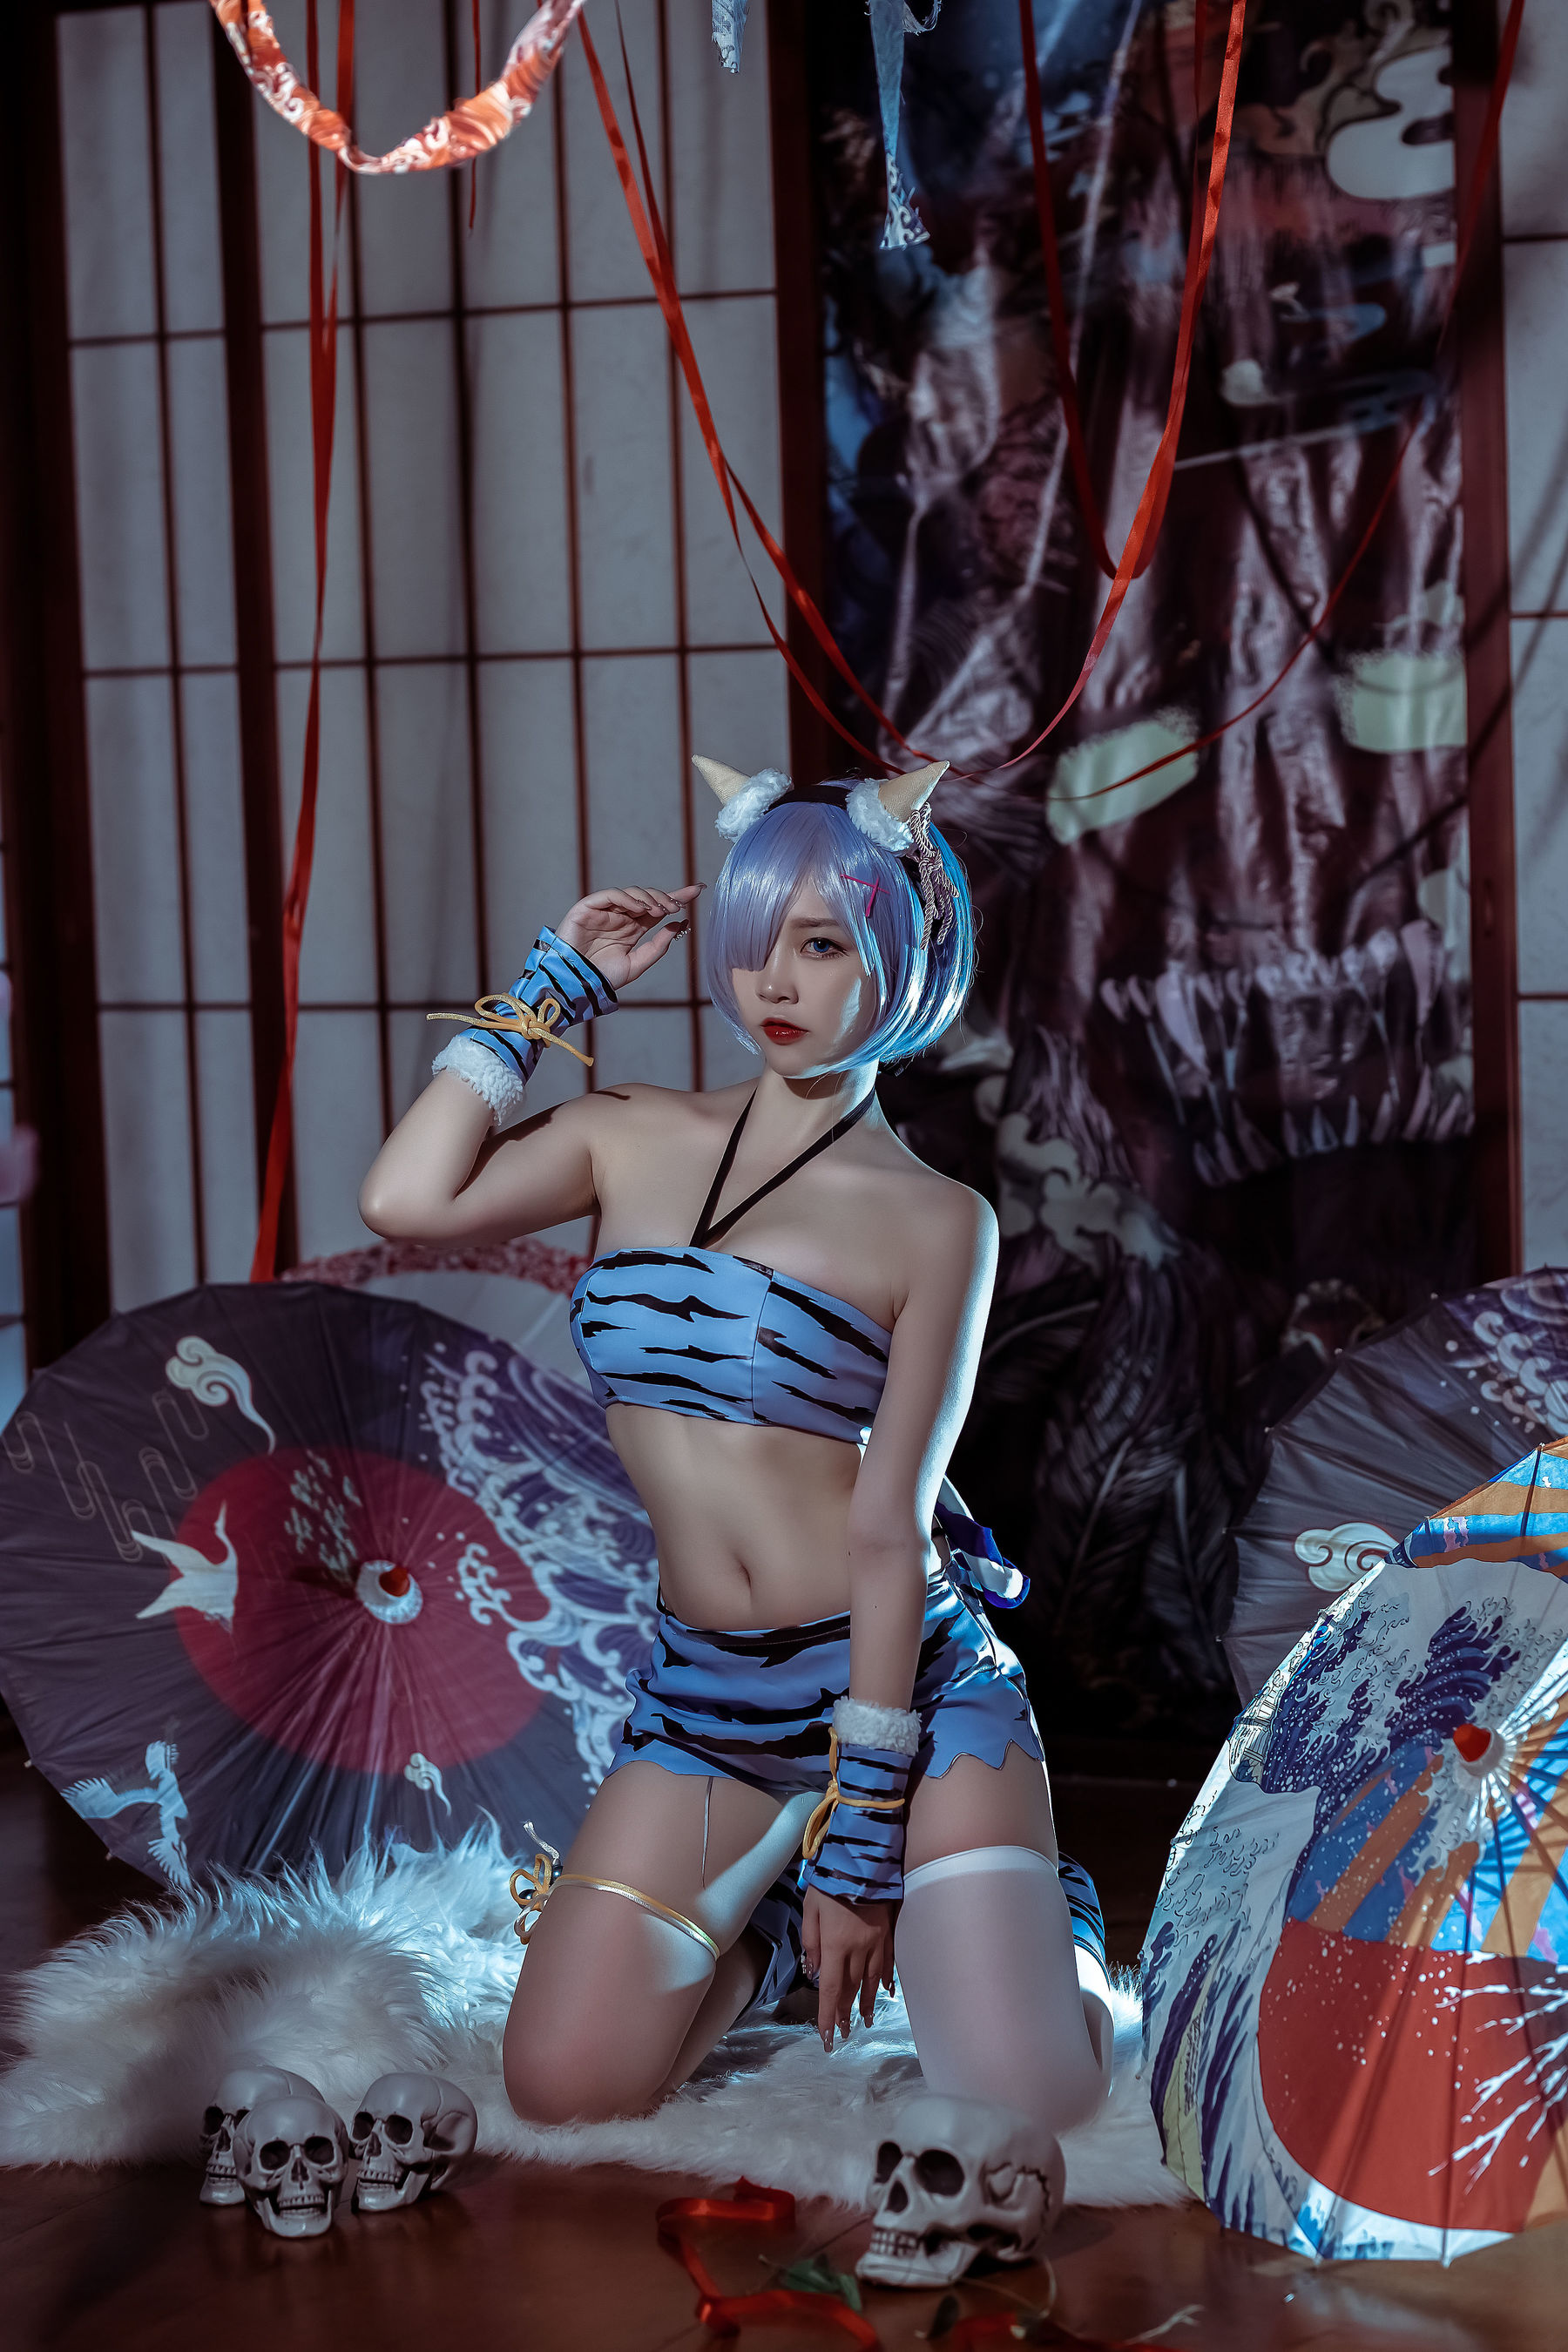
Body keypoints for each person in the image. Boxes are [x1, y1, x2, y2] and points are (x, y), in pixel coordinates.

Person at [359, 754, 1112, 2166]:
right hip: (707, 1698)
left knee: (1032, 2101)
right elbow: (404, 1196)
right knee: (564, 2086)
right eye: (756, 940)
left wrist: (867, 1831)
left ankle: (1046, 1920)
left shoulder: (936, 1219)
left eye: (822, 945)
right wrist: (554, 988)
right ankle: (764, 1931)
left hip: (905, 1686)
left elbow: (891, 1529)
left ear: (902, 959)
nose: (775, 979)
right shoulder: (626, 1135)